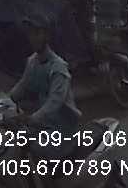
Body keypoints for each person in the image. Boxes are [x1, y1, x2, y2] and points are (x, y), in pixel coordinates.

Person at [7, 13, 81, 158]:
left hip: (62, 131)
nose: (32, 38)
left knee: (34, 150)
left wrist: (32, 118)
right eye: (30, 33)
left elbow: (55, 101)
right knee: (16, 143)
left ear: (47, 35)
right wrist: (5, 101)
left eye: (37, 33)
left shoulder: (58, 67)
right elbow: (22, 86)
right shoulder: (32, 62)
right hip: (42, 126)